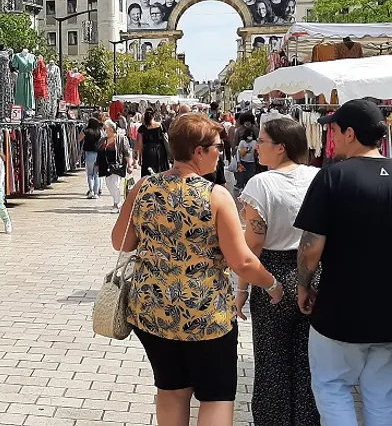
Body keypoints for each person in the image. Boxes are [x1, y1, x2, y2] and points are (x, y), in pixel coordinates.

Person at [113, 114, 283, 426]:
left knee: (172, 389)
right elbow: (242, 261)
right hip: (205, 316)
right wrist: (272, 284)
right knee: (216, 395)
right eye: (217, 147)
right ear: (198, 151)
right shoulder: (215, 196)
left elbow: (119, 241)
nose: (222, 152)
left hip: (153, 311)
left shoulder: (143, 187)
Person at [293, 100, 392, 425]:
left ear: (349, 132)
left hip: (339, 310)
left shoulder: (333, 177)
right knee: (382, 395)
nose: (331, 136)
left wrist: (303, 284)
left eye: (334, 129)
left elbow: (311, 248)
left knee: (333, 388)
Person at [236, 118, 320, 426]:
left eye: (262, 141)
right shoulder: (318, 177)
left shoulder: (261, 184)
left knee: (272, 361)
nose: (256, 146)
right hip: (313, 271)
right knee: (307, 360)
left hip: (271, 271)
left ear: (280, 147)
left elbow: (254, 244)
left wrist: (242, 289)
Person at [97, 121, 133, 212]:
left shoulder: (121, 139)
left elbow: (127, 152)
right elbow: (99, 152)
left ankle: (116, 204)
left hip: (117, 165)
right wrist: (97, 165)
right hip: (105, 165)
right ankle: (118, 201)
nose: (105, 130)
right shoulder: (103, 139)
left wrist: (129, 165)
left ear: (111, 129)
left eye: (106, 129)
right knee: (109, 184)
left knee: (115, 184)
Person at [136, 108, 170, 176]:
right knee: (161, 170)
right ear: (153, 116)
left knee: (148, 173)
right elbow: (166, 138)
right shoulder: (160, 125)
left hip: (148, 151)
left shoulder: (141, 128)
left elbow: (140, 144)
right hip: (160, 150)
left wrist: (140, 157)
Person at [79, 118, 103, 199]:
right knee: (96, 174)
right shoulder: (99, 131)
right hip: (97, 153)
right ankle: (96, 193)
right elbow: (103, 140)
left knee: (90, 174)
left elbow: (79, 139)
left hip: (89, 154)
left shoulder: (86, 131)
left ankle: (91, 191)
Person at [234, 125, 257, 194]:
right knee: (241, 176)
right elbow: (238, 152)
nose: (250, 136)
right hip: (243, 162)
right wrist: (238, 161)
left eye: (251, 135)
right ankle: (241, 187)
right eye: (249, 135)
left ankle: (249, 190)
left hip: (251, 162)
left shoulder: (254, 142)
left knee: (250, 176)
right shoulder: (242, 142)